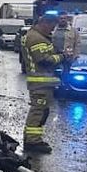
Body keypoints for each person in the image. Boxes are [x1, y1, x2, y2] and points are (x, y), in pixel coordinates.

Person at [21, 11, 60, 153]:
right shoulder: (36, 38)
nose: (52, 30)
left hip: (42, 82)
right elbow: (44, 60)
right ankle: (32, 141)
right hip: (40, 82)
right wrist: (60, 58)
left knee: (42, 111)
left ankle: (32, 138)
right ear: (44, 24)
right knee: (38, 111)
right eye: (51, 26)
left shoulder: (37, 36)